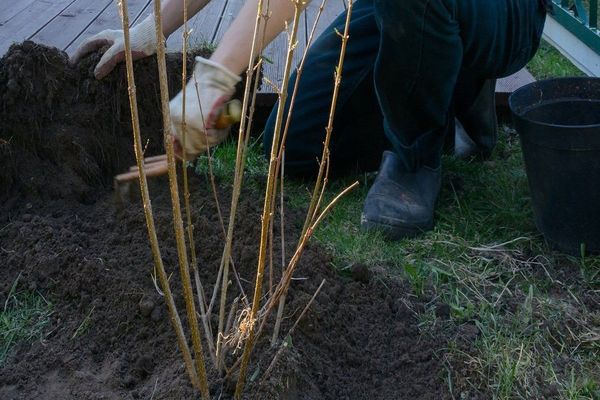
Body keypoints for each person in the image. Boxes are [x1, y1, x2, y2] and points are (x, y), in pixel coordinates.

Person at [72, 0, 551, 239]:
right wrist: (149, 31)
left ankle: (415, 158)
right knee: (293, 146)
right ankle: (453, 84)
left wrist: (212, 82)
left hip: (501, 11)